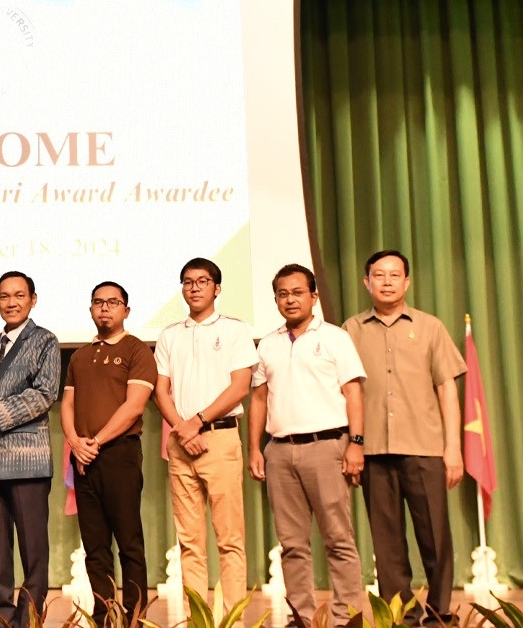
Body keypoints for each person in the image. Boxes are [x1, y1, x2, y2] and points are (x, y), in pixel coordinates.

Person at [342, 250, 466, 625]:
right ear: (367, 282)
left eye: (395, 275)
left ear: (407, 282)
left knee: (435, 537)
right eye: (379, 275)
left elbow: (447, 389)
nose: (387, 281)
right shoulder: (351, 329)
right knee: (387, 542)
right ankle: (401, 615)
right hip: (373, 449)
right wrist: (353, 444)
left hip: (424, 448)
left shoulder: (430, 327)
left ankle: (440, 611)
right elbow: (345, 390)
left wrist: (453, 447)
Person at [248, 264, 366, 626]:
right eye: (283, 294)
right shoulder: (267, 343)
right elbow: (258, 400)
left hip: (327, 446)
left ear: (314, 296)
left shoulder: (334, 337)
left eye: (298, 292)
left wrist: (356, 443)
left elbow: (353, 392)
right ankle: (302, 616)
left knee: (338, 539)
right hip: (280, 451)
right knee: (292, 544)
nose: (290, 299)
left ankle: (348, 617)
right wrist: (255, 448)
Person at [152, 259, 256, 612]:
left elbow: (240, 385)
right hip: (181, 443)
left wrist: (196, 421)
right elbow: (160, 391)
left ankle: (234, 618)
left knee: (230, 539)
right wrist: (183, 431)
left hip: (220, 439)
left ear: (217, 288)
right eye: (187, 282)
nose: (194, 287)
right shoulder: (169, 334)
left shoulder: (234, 330)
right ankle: (197, 618)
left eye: (202, 281)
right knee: (189, 541)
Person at [0, 271, 61, 628]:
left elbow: (45, 394)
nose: (12, 302)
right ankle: (0, 617)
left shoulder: (45, 340)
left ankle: (29, 618)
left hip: (27, 460)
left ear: (33, 299)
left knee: (33, 550)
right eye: (5, 296)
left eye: (19, 295)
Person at [61, 282, 156, 623]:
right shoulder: (80, 356)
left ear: (125, 310)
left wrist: (95, 442)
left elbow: (133, 408)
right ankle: (104, 616)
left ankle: (134, 616)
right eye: (98, 302)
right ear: (90, 309)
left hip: (119, 455)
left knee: (129, 543)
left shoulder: (137, 351)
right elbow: (68, 404)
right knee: (95, 549)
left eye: (112, 302)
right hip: (83, 458)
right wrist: (74, 441)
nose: (104, 308)